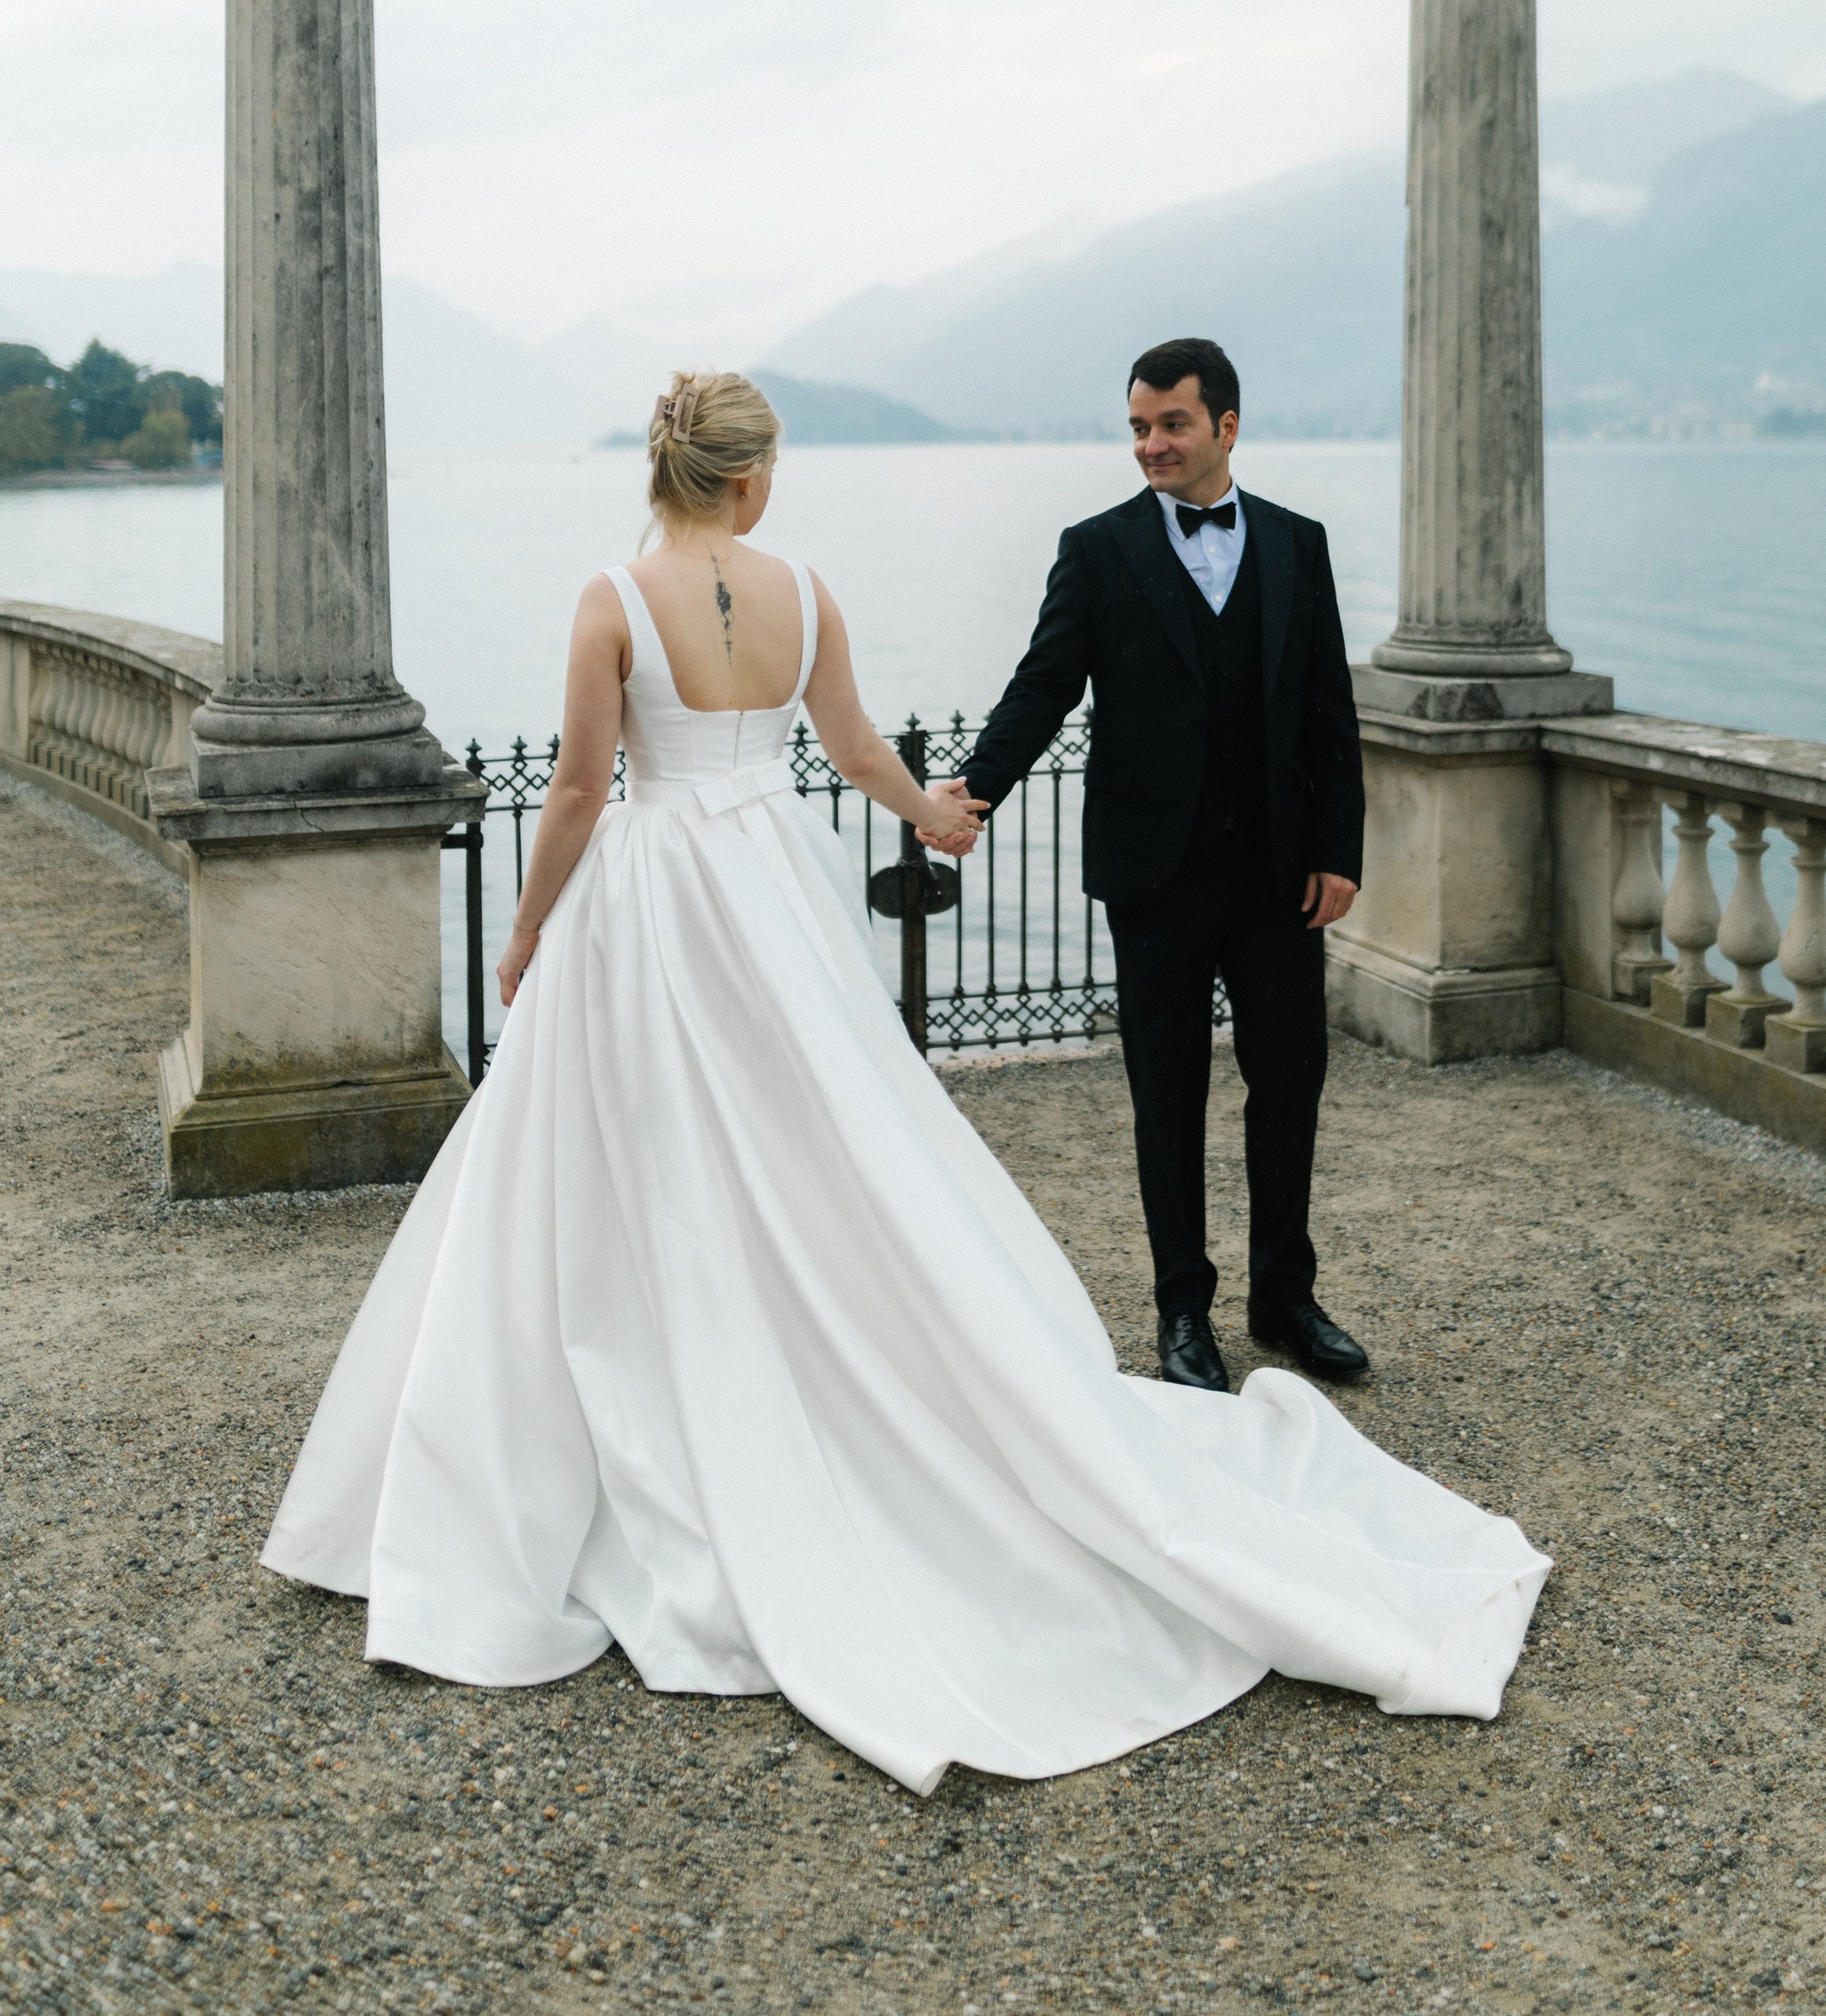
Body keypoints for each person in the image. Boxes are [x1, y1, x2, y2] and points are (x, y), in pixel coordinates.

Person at [261, 370, 1547, 1794]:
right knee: (826, 1141)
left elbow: (576, 792)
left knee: (625, 1151)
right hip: (770, 895)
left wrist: (521, 933)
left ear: (669, 469)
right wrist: (933, 812)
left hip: (654, 900)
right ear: (751, 478)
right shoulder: (806, 590)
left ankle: (627, 1406)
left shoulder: (611, 601)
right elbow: (858, 748)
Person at [941, 341, 1367, 1401]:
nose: (1150, 446)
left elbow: (1328, 717)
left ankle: (1285, 1298)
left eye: (1170, 424)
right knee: (1164, 1095)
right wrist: (970, 794)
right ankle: (1184, 1311)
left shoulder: (1297, 545)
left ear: (1226, 426)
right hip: (1155, 877)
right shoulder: (1097, 551)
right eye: (1137, 427)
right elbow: (1041, 687)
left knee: (1291, 1087)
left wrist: (1339, 852)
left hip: (1279, 878)